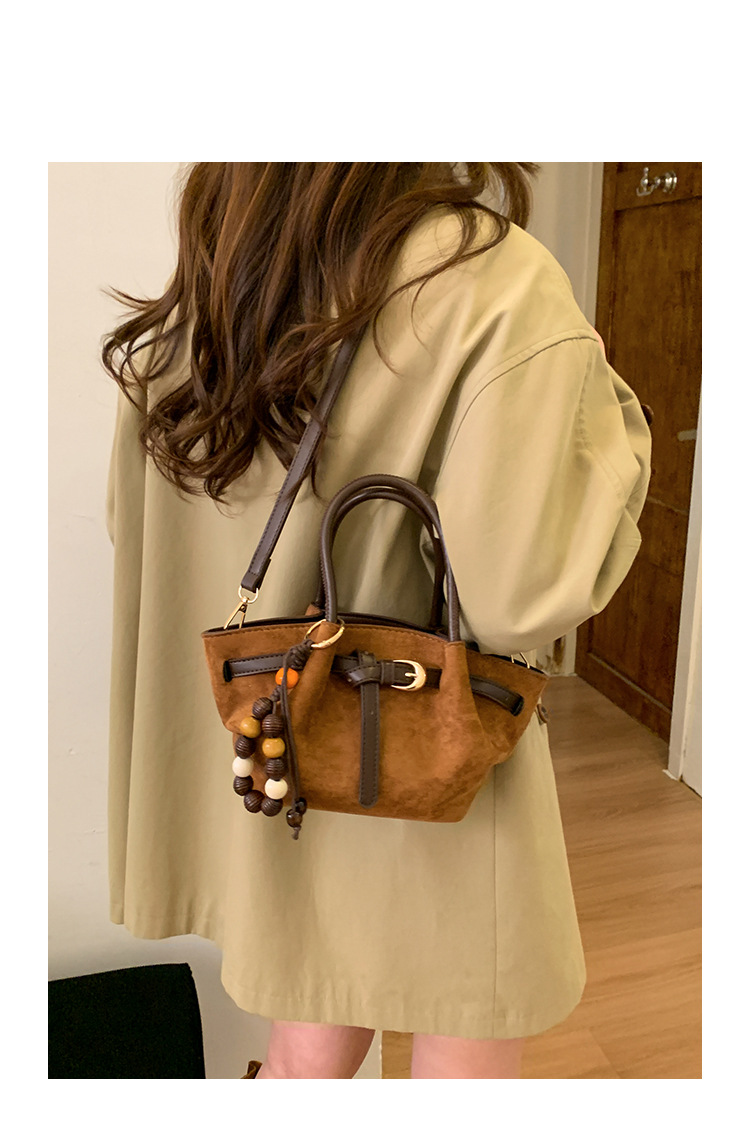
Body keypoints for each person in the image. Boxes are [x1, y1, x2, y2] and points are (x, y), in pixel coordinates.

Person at [102, 162, 651, 1080]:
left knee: (301, 1061)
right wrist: (615, 424)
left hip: (269, 760)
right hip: (430, 774)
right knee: (459, 1059)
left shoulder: (212, 284)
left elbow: (134, 529)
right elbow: (524, 592)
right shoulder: (493, 279)